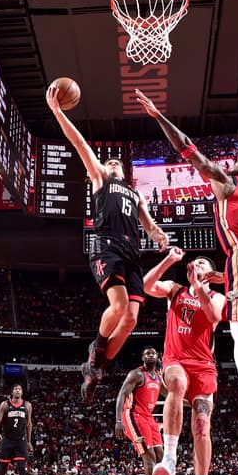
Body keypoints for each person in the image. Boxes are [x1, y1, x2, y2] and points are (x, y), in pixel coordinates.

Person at [135, 89, 238, 471]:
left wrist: (158, 116)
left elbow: (190, 150)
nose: (229, 164)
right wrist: (223, 280)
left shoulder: (230, 184)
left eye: (235, 162)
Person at [47, 86, 168, 403]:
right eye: (109, 161)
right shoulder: (101, 178)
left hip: (132, 254)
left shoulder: (136, 194)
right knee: (118, 306)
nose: (112, 162)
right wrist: (58, 112)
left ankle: (96, 368)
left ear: (125, 171)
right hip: (107, 246)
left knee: (131, 319)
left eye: (116, 161)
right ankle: (96, 351)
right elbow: (80, 143)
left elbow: (149, 225)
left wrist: (158, 235)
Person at [143, 247, 226, 475]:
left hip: (204, 364)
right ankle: (169, 457)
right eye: (195, 262)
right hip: (175, 359)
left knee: (202, 424)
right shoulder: (175, 290)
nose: (197, 264)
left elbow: (214, 316)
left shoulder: (217, 296)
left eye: (203, 263)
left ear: (211, 273)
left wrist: (199, 287)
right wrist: (169, 260)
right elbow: (146, 286)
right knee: (176, 383)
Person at [114, 346, 179, 475]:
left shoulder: (157, 377)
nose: (151, 355)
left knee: (160, 455)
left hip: (148, 418)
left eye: (153, 353)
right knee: (149, 456)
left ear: (158, 357)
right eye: (147, 353)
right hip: (133, 415)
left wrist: (192, 403)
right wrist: (118, 420)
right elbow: (122, 394)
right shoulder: (136, 374)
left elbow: (171, 395)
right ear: (143, 358)